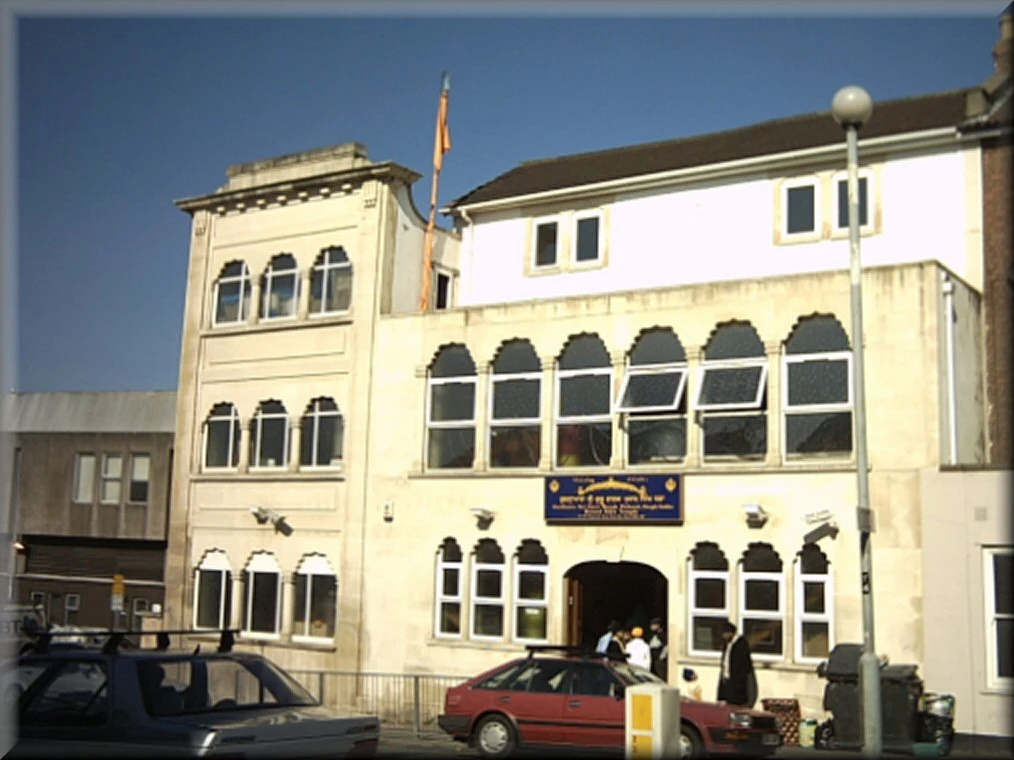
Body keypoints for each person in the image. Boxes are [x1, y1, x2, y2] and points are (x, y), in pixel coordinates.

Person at [717, 619, 757, 707]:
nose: (723, 636)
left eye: (724, 634)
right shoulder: (727, 645)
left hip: (738, 686)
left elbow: (743, 668)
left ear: (730, 633)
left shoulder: (741, 645)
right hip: (727, 681)